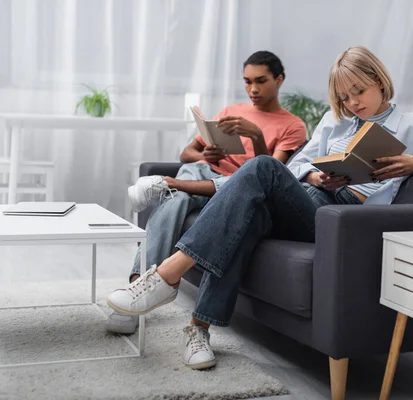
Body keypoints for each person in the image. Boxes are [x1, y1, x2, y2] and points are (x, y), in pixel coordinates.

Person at [106, 46, 413, 370]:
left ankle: (166, 275)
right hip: (312, 201)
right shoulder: (336, 123)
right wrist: (316, 177)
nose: (353, 103)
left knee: (263, 166)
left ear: (379, 81)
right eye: (345, 97)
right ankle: (198, 330)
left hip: (345, 217)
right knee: (250, 211)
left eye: (359, 92)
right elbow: (300, 165)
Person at [105, 50, 306, 335]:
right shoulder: (229, 111)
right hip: (205, 174)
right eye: (247, 82)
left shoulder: (292, 125)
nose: (253, 89)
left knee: (178, 193)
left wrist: (256, 135)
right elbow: (186, 153)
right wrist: (207, 156)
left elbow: (273, 172)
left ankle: (166, 187)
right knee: (176, 199)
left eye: (261, 81)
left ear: (279, 80)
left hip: (236, 187)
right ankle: (139, 285)